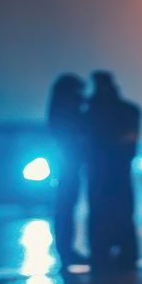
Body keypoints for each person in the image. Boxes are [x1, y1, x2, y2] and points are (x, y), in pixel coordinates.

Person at [85, 71, 141, 271]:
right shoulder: (127, 111)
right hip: (116, 169)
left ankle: (102, 252)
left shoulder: (92, 110)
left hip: (101, 170)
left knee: (101, 210)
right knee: (122, 210)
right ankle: (125, 252)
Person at [47, 74, 88, 267]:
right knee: (66, 207)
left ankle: (66, 250)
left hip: (68, 165)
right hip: (68, 166)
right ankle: (66, 251)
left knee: (66, 208)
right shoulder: (67, 112)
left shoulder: (58, 110)